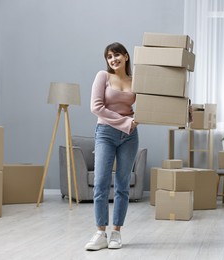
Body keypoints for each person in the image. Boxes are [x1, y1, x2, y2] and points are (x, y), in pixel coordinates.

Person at [85, 42, 139, 251]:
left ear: (126, 56)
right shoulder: (103, 76)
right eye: (109, 56)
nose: (113, 59)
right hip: (106, 133)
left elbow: (147, 106)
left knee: (122, 184)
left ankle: (116, 232)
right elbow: (96, 107)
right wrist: (125, 121)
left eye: (116, 55)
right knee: (100, 183)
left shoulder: (136, 81)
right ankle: (100, 233)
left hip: (130, 136)